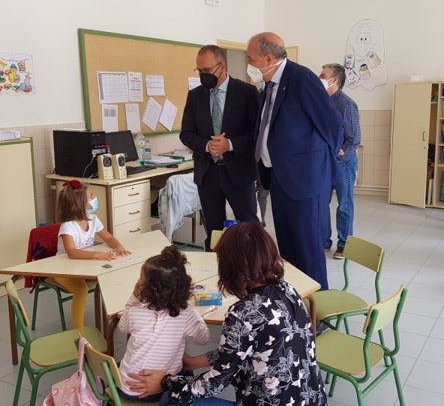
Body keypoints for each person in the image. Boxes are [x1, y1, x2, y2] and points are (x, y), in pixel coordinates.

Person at [128, 222, 326, 406]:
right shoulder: (287, 290)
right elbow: (243, 347)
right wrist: (195, 361)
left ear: (229, 267)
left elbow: (213, 384)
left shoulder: (243, 313)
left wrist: (164, 382)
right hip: (310, 398)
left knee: (168, 400)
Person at [249, 32, 343, 290]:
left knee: (308, 251)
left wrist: (318, 164)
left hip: (305, 181)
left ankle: (316, 314)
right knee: (288, 251)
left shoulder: (302, 79)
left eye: (251, 58)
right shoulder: (269, 85)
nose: (250, 63)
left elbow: (333, 125)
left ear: (268, 57)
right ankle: (295, 307)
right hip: (279, 178)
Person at [180, 45, 260, 250]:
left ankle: (255, 271)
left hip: (238, 172)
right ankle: (217, 272)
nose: (202, 75)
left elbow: (257, 134)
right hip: (207, 173)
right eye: (199, 71)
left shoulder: (247, 92)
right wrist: (207, 145)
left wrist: (230, 144)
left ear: (222, 66)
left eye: (207, 70)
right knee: (214, 232)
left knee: (249, 229)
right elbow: (186, 133)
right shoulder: (196, 95)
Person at [117, 246, 210, 402]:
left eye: (141, 279)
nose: (138, 282)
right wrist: (195, 313)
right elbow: (204, 338)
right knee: (186, 372)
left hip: (125, 388)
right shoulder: (186, 315)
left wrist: (134, 299)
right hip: (158, 390)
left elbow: (122, 327)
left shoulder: (135, 311)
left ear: (147, 290)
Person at [54, 179, 130, 328]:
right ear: (80, 204)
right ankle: (79, 330)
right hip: (63, 270)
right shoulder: (68, 226)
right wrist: (96, 255)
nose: (95, 199)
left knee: (113, 276)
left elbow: (108, 237)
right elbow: (72, 252)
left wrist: (118, 246)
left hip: (84, 266)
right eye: (92, 196)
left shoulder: (93, 219)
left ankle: (118, 316)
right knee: (81, 290)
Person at [320, 63, 361, 259]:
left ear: (334, 80)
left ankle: (344, 244)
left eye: (323, 75)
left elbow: (354, 139)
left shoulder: (346, 104)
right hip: (323, 162)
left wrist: (339, 154)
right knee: (321, 202)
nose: (319, 77)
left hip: (343, 163)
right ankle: (324, 240)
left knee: (344, 204)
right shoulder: (320, 101)